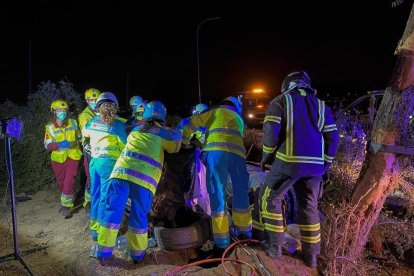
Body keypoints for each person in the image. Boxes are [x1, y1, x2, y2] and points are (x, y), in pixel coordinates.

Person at [259, 71, 339, 268]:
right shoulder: (321, 105)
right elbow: (333, 139)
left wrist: (266, 159)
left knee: (270, 199)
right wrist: (325, 165)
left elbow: (270, 137)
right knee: (309, 207)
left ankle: (274, 247)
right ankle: (311, 257)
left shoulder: (280, 101)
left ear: (287, 85)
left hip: (287, 163)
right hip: (315, 169)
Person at [97, 101, 181, 263]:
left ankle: (103, 252)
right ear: (163, 117)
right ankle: (137, 255)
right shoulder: (163, 133)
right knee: (139, 215)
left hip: (120, 174)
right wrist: (176, 132)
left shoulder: (136, 129)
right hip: (144, 179)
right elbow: (175, 147)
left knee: (112, 210)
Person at [182, 96, 252, 253]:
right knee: (241, 193)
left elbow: (194, 122)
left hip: (217, 154)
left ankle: (221, 242)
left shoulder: (216, 111)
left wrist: (185, 139)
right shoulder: (239, 118)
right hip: (238, 156)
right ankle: (245, 233)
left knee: (217, 194)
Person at [82, 92, 127, 242]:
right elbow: (124, 147)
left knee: (95, 195)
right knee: (105, 198)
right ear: (114, 107)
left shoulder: (92, 122)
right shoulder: (118, 125)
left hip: (94, 163)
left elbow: (85, 133)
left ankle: (94, 229)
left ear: (98, 107)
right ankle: (102, 229)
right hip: (108, 165)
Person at [44, 99, 82, 219]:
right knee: (61, 182)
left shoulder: (74, 122)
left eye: (64, 110)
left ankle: (66, 207)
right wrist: (59, 144)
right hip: (57, 159)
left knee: (69, 180)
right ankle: (65, 201)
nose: (62, 112)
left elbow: (80, 138)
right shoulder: (49, 128)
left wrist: (76, 144)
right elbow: (47, 145)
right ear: (54, 112)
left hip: (73, 155)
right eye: (59, 110)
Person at [177, 103, 210, 215]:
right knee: (188, 180)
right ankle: (187, 204)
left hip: (200, 155)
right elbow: (179, 136)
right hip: (185, 156)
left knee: (200, 184)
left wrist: (200, 144)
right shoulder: (186, 122)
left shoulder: (208, 125)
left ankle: (195, 204)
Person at [78, 88, 101, 213]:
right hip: (90, 149)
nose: (94, 102)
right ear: (87, 101)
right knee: (91, 176)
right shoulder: (84, 116)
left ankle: (96, 200)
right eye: (91, 100)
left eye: (96, 99)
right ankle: (88, 202)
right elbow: (92, 129)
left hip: (100, 149)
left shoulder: (100, 112)